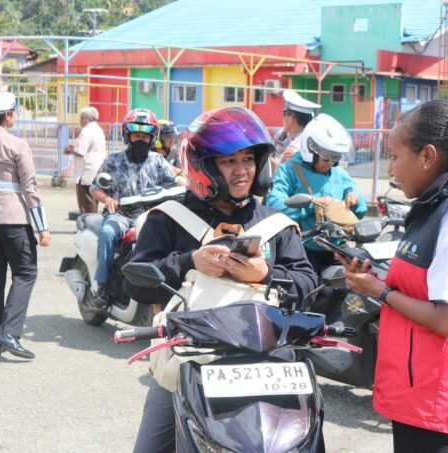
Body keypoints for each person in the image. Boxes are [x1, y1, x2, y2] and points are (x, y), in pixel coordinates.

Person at [124, 107, 317, 452]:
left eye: (248, 159)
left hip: (268, 365)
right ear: (204, 167)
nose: (242, 170)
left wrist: (266, 275)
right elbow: (135, 283)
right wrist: (189, 262)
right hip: (189, 362)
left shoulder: (276, 225)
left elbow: (308, 285)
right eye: (228, 161)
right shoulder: (168, 219)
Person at [336, 100, 448, 452]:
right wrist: (377, 283)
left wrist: (381, 293)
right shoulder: (435, 205)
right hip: (420, 390)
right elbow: (423, 287)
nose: (391, 168)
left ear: (427, 156)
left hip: (439, 397)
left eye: (395, 156)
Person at [88, 108, 182, 311]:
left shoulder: (158, 161)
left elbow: (175, 182)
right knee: (107, 233)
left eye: (144, 136)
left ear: (152, 138)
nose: (140, 140)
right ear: (127, 135)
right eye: (136, 135)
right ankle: (102, 288)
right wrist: (107, 199)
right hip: (121, 216)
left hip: (151, 217)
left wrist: (190, 184)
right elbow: (95, 187)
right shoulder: (113, 160)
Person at [0, 91, 52, 360]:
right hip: (13, 219)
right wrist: (42, 228)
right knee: (26, 273)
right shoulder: (16, 144)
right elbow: (30, 188)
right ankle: (10, 333)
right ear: (7, 115)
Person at [265, 113, 367, 273]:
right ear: (310, 150)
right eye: (326, 158)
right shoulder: (289, 170)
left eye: (336, 158)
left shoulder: (338, 172)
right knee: (303, 285)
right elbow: (273, 206)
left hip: (336, 250)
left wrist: (354, 198)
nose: (331, 163)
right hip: (302, 250)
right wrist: (313, 204)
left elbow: (361, 211)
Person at [63, 106, 106, 214]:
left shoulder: (87, 131)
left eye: (82, 117)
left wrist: (69, 149)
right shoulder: (98, 129)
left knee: (86, 205)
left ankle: (88, 223)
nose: (80, 120)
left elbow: (80, 150)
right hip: (95, 171)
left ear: (89, 119)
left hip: (86, 173)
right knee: (93, 202)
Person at [272, 89, 321, 166]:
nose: (283, 118)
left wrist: (276, 163)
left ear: (291, 119)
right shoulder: (282, 135)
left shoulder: (303, 143)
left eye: (284, 114)